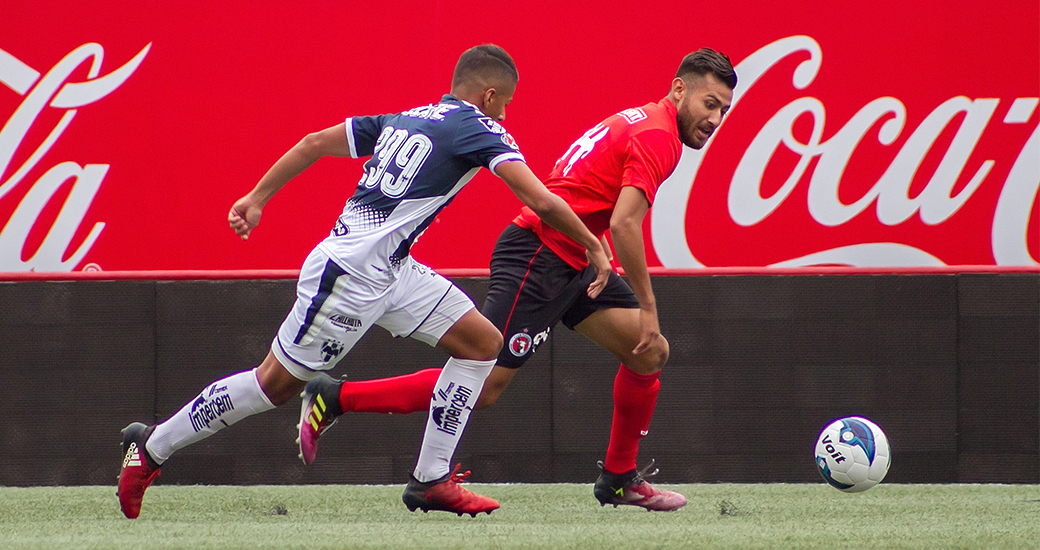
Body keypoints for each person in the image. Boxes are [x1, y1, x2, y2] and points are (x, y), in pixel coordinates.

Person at [117, 43, 611, 519]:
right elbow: (542, 201)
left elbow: (313, 143)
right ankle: (153, 446)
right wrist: (592, 244)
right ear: (488, 96)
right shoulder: (481, 127)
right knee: (275, 385)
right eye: (505, 103)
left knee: (483, 344)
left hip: (393, 268)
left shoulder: (405, 118)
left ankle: (431, 480)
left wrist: (256, 197)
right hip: (350, 276)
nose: (505, 114)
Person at [298, 48, 737, 511]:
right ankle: (335, 397)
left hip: (577, 257)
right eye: (710, 103)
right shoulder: (659, 136)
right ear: (679, 89)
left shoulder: (643, 121)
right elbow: (626, 223)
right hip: (540, 254)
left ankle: (620, 479)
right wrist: (648, 308)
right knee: (484, 386)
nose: (715, 117)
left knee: (648, 353)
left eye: (724, 110)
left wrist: (598, 257)